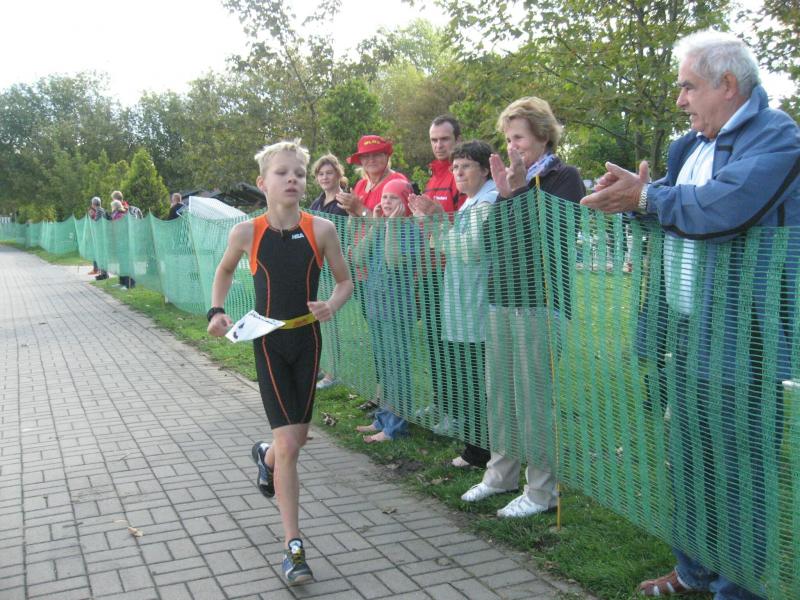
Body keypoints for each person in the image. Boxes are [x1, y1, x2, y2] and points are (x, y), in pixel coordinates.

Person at [581, 30, 800, 600]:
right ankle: (695, 571)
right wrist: (628, 198)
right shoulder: (687, 147)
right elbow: (668, 212)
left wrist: (646, 198)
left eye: (688, 86)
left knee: (739, 469)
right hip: (685, 330)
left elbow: (724, 209)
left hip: (743, 337)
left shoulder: (776, 136)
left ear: (727, 85)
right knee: (689, 459)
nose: (680, 99)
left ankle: (737, 588)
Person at [206, 140, 353, 585]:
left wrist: (331, 304)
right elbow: (225, 270)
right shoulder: (246, 232)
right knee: (290, 445)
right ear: (263, 183)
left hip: (308, 340)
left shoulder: (322, 228)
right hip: (268, 340)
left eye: (299, 174)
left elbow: (344, 282)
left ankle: (265, 455)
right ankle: (294, 546)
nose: (293, 179)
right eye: (282, 173)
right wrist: (216, 310)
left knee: (296, 440)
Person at [460, 97, 585, 518]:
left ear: (543, 136)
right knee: (500, 392)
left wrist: (514, 194)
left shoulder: (565, 178)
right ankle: (501, 475)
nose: (512, 147)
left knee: (533, 399)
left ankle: (542, 491)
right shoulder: (510, 182)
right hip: (501, 300)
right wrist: (508, 193)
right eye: (508, 139)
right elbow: (493, 241)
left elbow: (546, 235)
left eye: (519, 138)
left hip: (542, 303)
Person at [410, 140, 497, 469]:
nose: (458, 172)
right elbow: (454, 242)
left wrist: (436, 225)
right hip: (463, 301)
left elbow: (470, 249)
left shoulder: (488, 201)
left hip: (478, 304)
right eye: (456, 167)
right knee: (467, 375)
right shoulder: (471, 201)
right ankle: (475, 443)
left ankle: (480, 450)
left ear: (485, 169)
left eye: (466, 166)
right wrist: (434, 220)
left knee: (476, 378)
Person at [337, 135, 409, 409]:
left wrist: (360, 210)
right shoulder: (360, 185)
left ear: (387, 156)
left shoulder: (396, 183)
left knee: (393, 340)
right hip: (364, 269)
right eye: (365, 156)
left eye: (377, 154)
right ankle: (382, 393)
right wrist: (353, 215)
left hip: (388, 272)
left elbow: (390, 225)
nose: (371, 160)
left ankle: (394, 402)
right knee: (377, 336)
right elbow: (356, 224)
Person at [353, 179, 422, 442]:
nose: (387, 202)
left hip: (397, 310)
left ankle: (397, 427)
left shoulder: (411, 229)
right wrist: (376, 226)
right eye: (384, 197)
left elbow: (394, 261)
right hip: (377, 307)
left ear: (405, 201)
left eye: (393, 197)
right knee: (385, 366)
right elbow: (358, 257)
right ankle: (383, 418)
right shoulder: (381, 227)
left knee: (397, 368)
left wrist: (391, 225)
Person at [416, 115, 466, 438]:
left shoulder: (461, 175)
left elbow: (463, 222)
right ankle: (441, 401)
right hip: (430, 272)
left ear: (457, 140)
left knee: (452, 345)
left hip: (453, 272)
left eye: (444, 139)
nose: (438, 145)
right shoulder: (434, 176)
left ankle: (457, 411)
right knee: (435, 341)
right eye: (434, 140)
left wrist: (436, 216)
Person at [309, 154, 349, 390]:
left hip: (336, 269)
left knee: (329, 320)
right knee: (318, 321)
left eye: (329, 173)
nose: (325, 177)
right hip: (317, 267)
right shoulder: (316, 204)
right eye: (321, 174)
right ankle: (322, 366)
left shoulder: (344, 201)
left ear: (338, 175)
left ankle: (333, 373)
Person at [87, 197, 106, 278]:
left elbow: (96, 222)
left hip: (100, 236)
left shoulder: (99, 211)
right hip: (99, 236)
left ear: (93, 204)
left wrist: (91, 216)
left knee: (100, 255)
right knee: (98, 254)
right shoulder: (101, 210)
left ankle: (103, 273)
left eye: (92, 204)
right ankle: (101, 272)